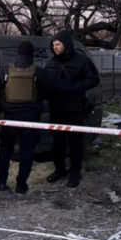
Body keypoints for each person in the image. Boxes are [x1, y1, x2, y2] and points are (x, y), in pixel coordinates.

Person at [42, 30, 100, 188]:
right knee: (58, 141)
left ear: (66, 45)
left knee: (74, 142)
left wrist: (74, 88)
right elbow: (46, 80)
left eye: (58, 44)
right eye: (53, 44)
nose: (55, 47)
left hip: (74, 108)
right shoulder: (52, 62)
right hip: (56, 108)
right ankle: (59, 169)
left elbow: (93, 79)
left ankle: (75, 172)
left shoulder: (81, 61)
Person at [0, 41, 44, 194]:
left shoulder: (6, 70)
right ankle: (21, 185)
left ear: (18, 53)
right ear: (31, 54)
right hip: (30, 119)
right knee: (27, 151)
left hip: (10, 117)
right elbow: (49, 92)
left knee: (5, 149)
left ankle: (1, 182)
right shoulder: (38, 71)